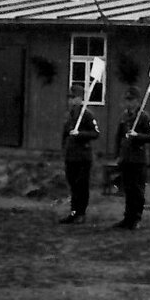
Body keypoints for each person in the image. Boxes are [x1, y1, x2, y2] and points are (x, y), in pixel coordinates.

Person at [113, 86, 150, 230]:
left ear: (137, 101)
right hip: (126, 158)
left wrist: (138, 136)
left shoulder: (143, 117)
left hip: (138, 159)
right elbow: (118, 137)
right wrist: (118, 154)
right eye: (127, 100)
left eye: (131, 100)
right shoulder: (124, 116)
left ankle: (136, 218)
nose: (129, 103)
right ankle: (128, 217)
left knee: (137, 190)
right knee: (128, 189)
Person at [59, 85, 100, 224]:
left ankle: (81, 213)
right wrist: (64, 149)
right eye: (70, 98)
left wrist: (81, 134)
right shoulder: (69, 115)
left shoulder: (87, 114)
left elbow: (95, 133)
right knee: (72, 185)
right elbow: (65, 135)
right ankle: (73, 212)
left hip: (83, 156)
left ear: (80, 98)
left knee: (81, 185)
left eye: (73, 97)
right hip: (71, 156)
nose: (71, 101)